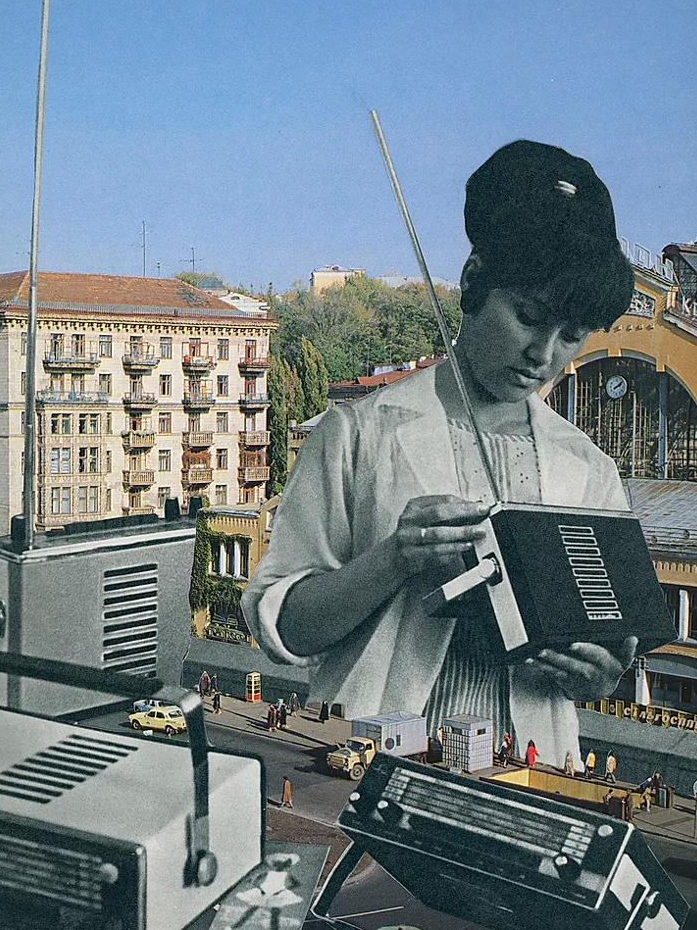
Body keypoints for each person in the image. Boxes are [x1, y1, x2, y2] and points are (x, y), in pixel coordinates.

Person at [242, 139, 638, 770]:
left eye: (571, 334)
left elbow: (608, 651)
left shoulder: (589, 469)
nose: (545, 354)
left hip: (529, 781)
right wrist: (394, 558)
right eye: (529, 316)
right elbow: (285, 629)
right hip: (373, 770)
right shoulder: (356, 432)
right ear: (474, 283)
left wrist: (598, 674)